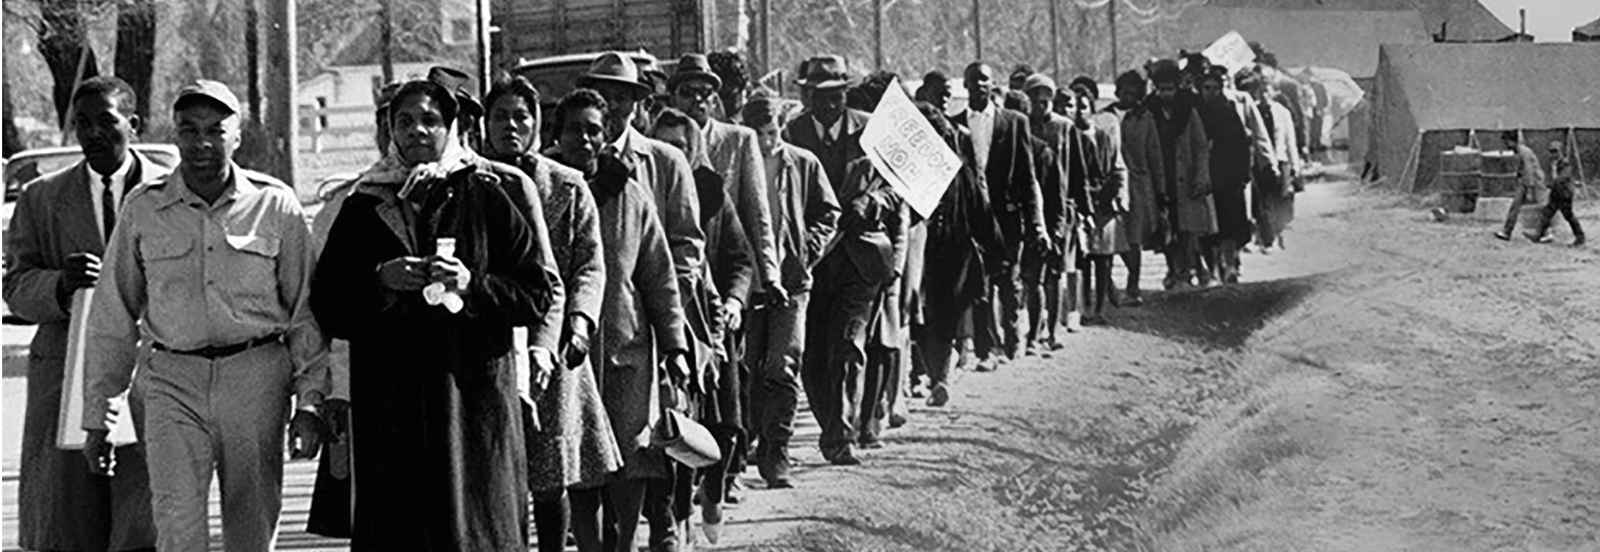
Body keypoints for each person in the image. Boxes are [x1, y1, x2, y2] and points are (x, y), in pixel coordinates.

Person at [312, 77, 562, 550]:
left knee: (473, 531)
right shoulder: (363, 205)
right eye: (404, 121)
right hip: (391, 407)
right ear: (390, 130)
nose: (417, 131)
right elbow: (328, 303)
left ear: (451, 128)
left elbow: (536, 293)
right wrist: (380, 280)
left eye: (430, 120)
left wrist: (473, 285)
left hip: (471, 404)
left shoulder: (487, 196)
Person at [82, 80, 327, 552]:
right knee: (176, 522)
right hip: (171, 381)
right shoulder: (144, 207)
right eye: (189, 130)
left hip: (255, 381)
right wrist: (100, 415)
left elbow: (305, 312)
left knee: (252, 526)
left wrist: (310, 402)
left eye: (216, 130)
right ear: (174, 135)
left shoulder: (274, 204)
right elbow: (113, 316)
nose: (202, 143)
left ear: (238, 137)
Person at [3, 76, 161, 552]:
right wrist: (59, 284)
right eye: (82, 123)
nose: (92, 133)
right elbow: (15, 289)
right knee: (69, 523)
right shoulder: (42, 198)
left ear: (133, 124)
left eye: (106, 122)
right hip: (65, 376)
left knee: (144, 518)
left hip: (150, 373)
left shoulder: (169, 192)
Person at [483, 75, 625, 552]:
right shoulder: (470, 181)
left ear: (536, 123)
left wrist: (580, 324)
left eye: (520, 117)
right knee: (493, 469)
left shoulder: (567, 186)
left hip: (554, 343)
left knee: (550, 472)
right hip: (490, 340)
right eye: (500, 116)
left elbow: (590, 265)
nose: (510, 126)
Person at [548, 88, 693, 552]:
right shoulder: (544, 190)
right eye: (574, 129)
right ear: (557, 134)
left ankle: (625, 543)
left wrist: (675, 347)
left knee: (634, 455)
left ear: (606, 134)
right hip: (566, 353)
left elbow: (659, 276)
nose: (584, 139)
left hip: (627, 348)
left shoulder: (630, 194)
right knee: (580, 460)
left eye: (593, 130)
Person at [653, 106, 756, 544]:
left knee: (722, 426)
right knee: (674, 428)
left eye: (680, 146)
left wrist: (733, 301)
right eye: (664, 145)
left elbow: (740, 258)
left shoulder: (712, 194)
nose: (672, 154)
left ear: (694, 150)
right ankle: (678, 520)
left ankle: (713, 493)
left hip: (710, 324)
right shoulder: (646, 188)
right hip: (666, 323)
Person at [739, 92, 839, 488]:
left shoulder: (802, 163)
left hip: (792, 283)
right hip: (747, 282)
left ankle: (777, 453)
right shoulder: (737, 162)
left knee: (783, 366)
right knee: (748, 367)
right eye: (758, 134)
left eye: (772, 132)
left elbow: (829, 212)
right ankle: (746, 446)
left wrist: (806, 250)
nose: (767, 142)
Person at [803, 151, 908, 467]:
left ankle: (841, 437)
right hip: (814, 261)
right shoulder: (795, 133)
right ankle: (831, 424)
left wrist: (874, 201)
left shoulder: (872, 136)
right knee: (813, 357)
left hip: (863, 262)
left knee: (849, 348)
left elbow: (901, 187)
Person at [578, 52, 705, 306]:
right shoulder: (567, 159)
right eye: (603, 97)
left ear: (635, 106)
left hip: (646, 313)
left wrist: (669, 306)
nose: (612, 106)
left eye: (621, 98)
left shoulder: (666, 161)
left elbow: (687, 243)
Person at [951, 61, 1044, 371]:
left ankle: (1012, 336)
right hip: (972, 218)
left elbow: (1027, 177)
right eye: (974, 80)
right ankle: (986, 349)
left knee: (1008, 280)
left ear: (993, 85)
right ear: (965, 85)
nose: (980, 85)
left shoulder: (1014, 122)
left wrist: (1035, 223)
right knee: (980, 285)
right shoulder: (954, 124)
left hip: (1007, 218)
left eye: (985, 80)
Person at [916, 100, 996, 407]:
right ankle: (934, 376)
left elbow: (979, 211)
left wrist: (993, 250)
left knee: (935, 318)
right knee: (931, 318)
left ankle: (939, 377)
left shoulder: (957, 169)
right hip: (933, 252)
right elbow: (981, 212)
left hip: (946, 253)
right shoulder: (908, 170)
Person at [1195, 65, 1271, 286]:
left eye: (1215, 88)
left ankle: (1230, 266)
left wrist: (1243, 174)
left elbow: (1241, 144)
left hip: (1228, 178)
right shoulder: (1195, 113)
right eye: (1207, 88)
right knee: (1207, 230)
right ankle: (1213, 270)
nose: (1211, 92)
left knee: (1230, 226)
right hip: (1204, 178)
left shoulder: (1229, 112)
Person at [1143, 60, 1215, 291]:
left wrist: (1201, 176)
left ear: (1177, 87)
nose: (1166, 94)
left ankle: (1185, 271)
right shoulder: (1148, 111)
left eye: (1170, 89)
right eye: (1162, 89)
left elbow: (1201, 146)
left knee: (1186, 229)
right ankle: (1172, 269)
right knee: (1165, 229)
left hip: (1184, 179)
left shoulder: (1188, 111)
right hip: (1160, 179)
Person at [1019, 74, 1078, 346]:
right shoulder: (1021, 127)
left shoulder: (1064, 127)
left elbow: (1077, 171)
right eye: (1035, 99)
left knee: (1054, 273)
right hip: (1030, 206)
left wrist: (1074, 211)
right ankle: (1033, 332)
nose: (1040, 104)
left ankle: (1053, 332)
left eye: (1045, 99)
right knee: (1032, 276)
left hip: (1059, 205)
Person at [1110, 70, 1164, 304]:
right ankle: (1109, 286)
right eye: (1125, 92)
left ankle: (1133, 286)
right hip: (1111, 183)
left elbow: (1154, 154)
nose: (1128, 97)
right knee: (1112, 235)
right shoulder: (1105, 115)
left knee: (1134, 238)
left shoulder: (1145, 118)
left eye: (1133, 93)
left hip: (1138, 184)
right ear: (1118, 91)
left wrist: (1160, 189)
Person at [783, 55, 870, 193]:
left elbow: (894, 187)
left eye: (836, 97)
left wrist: (869, 201)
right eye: (820, 98)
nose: (829, 105)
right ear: (808, 96)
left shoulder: (870, 128)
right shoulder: (791, 133)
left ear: (846, 93)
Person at [1237, 69, 1300, 253]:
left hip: (1281, 159)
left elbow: (1290, 141)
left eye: (1267, 90)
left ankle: (1279, 233)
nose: (1264, 94)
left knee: (1281, 199)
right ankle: (1267, 239)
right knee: (1263, 201)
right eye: (1261, 91)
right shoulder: (1252, 111)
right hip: (1261, 162)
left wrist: (1295, 166)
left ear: (1273, 91)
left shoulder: (1282, 112)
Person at [1526, 140, 1585, 247]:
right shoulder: (1553, 163)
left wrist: (1551, 184)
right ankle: (1538, 235)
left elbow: (1563, 177)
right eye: (1551, 151)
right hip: (1556, 193)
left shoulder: (1565, 163)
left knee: (1568, 216)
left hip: (1565, 193)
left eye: (1555, 151)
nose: (1553, 154)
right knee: (1546, 213)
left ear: (1560, 151)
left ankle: (1580, 237)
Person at [1495, 131, 1547, 241]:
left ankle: (1546, 233)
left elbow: (1529, 170)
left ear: (1512, 141)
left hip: (1535, 181)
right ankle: (1507, 231)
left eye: (1506, 142)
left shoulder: (1524, 152)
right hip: (1525, 181)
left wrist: (1529, 189)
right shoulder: (1518, 151)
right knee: (1515, 205)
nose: (1505, 145)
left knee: (1541, 207)